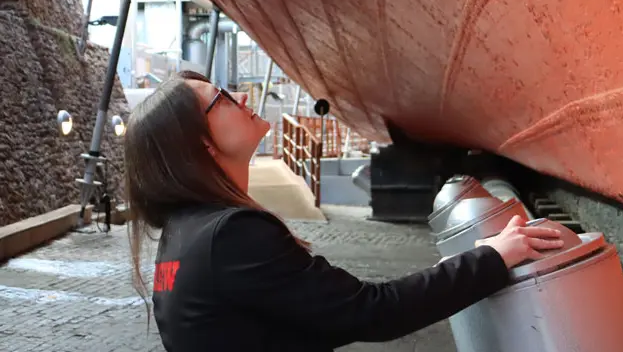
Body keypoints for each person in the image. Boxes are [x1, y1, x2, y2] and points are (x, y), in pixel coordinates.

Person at [123, 70, 564, 351]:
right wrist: (492, 256)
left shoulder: (182, 236)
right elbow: (372, 311)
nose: (238, 95)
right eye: (219, 98)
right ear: (200, 143)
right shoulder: (231, 235)